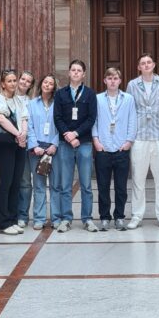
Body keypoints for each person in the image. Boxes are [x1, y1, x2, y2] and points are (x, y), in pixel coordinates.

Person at [126, 54, 159, 229]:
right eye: (143, 63)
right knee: (138, 179)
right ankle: (137, 215)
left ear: (154, 64)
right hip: (140, 137)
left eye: (149, 62)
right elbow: (129, 110)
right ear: (139, 67)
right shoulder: (132, 85)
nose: (146, 65)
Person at [54, 60, 98, 233]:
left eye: (79, 70)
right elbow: (57, 118)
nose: (76, 73)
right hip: (65, 144)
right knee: (65, 184)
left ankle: (87, 218)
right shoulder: (60, 94)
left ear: (84, 74)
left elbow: (91, 118)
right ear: (69, 72)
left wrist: (76, 134)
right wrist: (68, 135)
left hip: (84, 143)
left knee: (86, 184)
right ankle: (66, 218)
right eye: (73, 70)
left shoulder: (90, 94)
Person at [93, 67, 137, 231]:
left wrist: (129, 141)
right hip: (103, 148)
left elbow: (132, 120)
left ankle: (119, 217)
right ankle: (104, 217)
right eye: (110, 78)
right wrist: (96, 140)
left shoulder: (128, 99)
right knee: (103, 186)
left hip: (121, 148)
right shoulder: (97, 99)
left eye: (115, 78)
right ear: (105, 80)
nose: (112, 81)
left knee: (121, 187)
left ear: (120, 81)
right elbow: (94, 120)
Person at [0, 68, 27, 236]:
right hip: (6, 144)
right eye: (9, 81)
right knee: (6, 183)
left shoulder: (18, 100)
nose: (13, 83)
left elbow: (24, 118)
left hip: (20, 144)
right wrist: (18, 134)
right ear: (3, 84)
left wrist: (23, 135)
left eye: (14, 80)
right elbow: (1, 119)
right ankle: (4, 223)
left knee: (16, 183)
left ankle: (13, 219)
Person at [27, 74, 61, 231]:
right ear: (41, 84)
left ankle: (56, 218)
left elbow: (62, 125)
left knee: (55, 185)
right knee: (39, 185)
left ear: (54, 87)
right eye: (45, 82)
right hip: (37, 149)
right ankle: (39, 218)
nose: (47, 85)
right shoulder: (32, 104)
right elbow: (29, 126)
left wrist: (54, 144)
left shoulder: (58, 104)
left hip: (54, 149)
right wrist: (35, 146)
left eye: (51, 83)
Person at [13, 71, 35, 227]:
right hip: (12, 143)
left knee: (26, 182)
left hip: (28, 145)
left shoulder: (32, 102)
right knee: (12, 181)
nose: (24, 82)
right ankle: (11, 213)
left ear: (31, 85)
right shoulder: (8, 98)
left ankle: (23, 215)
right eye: (23, 79)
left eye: (28, 81)